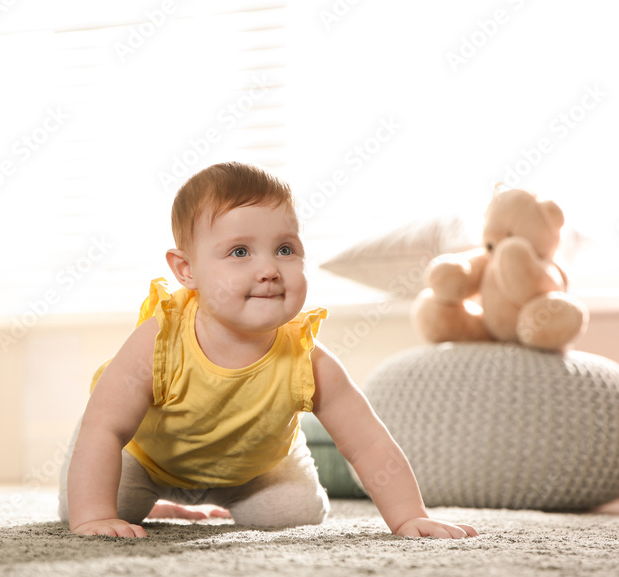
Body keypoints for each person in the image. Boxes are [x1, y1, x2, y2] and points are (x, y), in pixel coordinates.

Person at [59, 162, 477, 539]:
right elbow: (105, 427)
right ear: (187, 270)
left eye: (285, 249)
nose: (269, 270)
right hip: (144, 457)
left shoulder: (307, 360)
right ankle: (149, 501)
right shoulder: (159, 341)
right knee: (97, 509)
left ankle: (251, 482)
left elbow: (368, 443)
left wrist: (408, 516)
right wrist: (94, 515)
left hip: (251, 470)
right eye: (240, 252)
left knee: (296, 514)